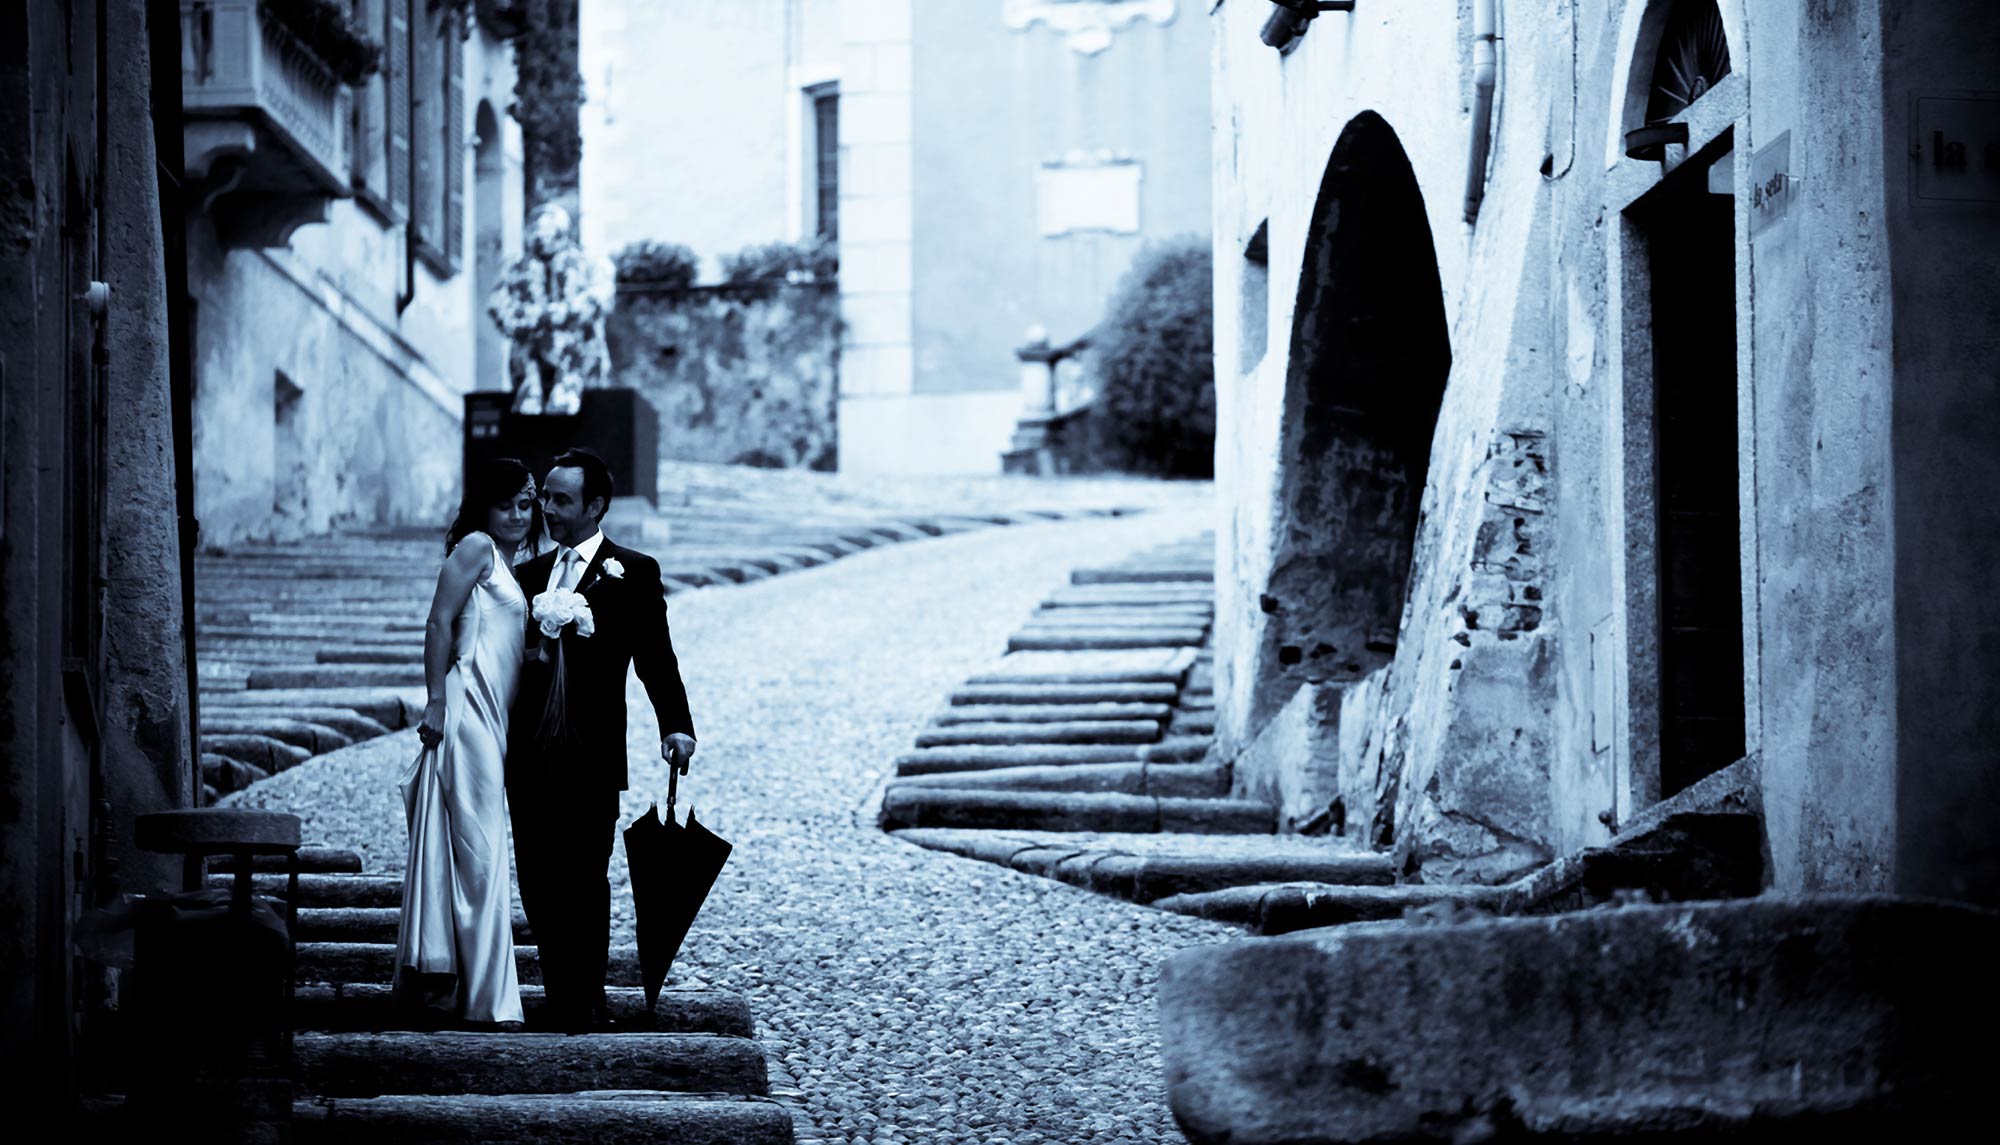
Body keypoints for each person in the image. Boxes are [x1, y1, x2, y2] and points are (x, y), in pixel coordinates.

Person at [508, 447, 697, 1032]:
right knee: (536, 874)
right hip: (528, 751)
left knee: (586, 874)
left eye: (560, 499)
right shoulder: (526, 577)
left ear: (595, 506)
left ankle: (585, 997)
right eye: (546, 497)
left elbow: (655, 658)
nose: (547, 509)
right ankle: (558, 986)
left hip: (592, 752)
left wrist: (676, 725)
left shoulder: (632, 572)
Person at [392, 457, 544, 1026]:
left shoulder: (509, 560)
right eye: (507, 503)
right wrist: (434, 698)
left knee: (476, 847)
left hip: (497, 715)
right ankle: (487, 997)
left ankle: (462, 986)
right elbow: (438, 623)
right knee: (482, 848)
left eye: (526, 504)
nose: (518, 514)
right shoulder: (477, 546)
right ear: (484, 506)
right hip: (467, 708)